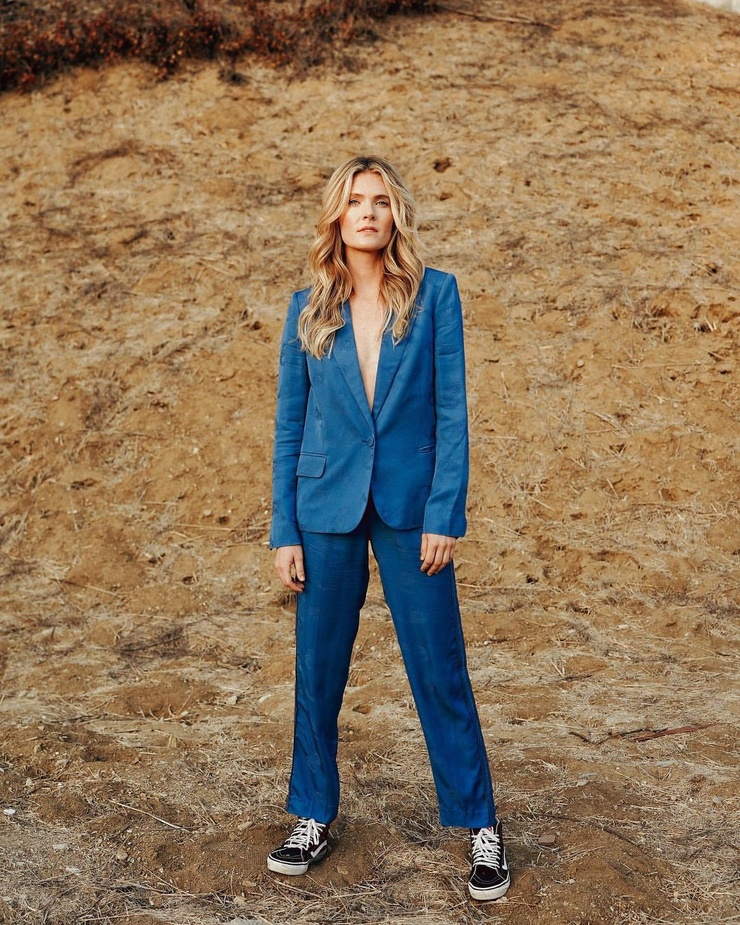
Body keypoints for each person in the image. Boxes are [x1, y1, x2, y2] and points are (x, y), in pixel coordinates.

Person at [267, 155, 510, 901]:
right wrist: (284, 529)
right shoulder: (307, 307)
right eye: (354, 201)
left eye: (378, 201)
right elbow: (289, 425)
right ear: (337, 217)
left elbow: (451, 413)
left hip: (412, 510)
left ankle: (480, 825)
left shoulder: (436, 296)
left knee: (440, 667)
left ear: (394, 214)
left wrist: (445, 512)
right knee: (318, 670)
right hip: (325, 510)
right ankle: (312, 813)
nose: (367, 212)